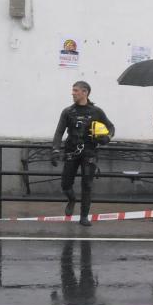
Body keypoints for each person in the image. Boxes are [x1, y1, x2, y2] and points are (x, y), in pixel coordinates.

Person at [51, 81, 115, 227]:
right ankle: (72, 199)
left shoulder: (96, 111)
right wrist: (55, 150)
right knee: (65, 184)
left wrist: (107, 138)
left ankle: (84, 216)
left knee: (87, 184)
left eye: (76, 90)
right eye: (73, 90)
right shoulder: (67, 111)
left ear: (85, 92)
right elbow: (59, 132)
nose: (72, 93)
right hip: (71, 151)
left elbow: (111, 127)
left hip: (89, 152)